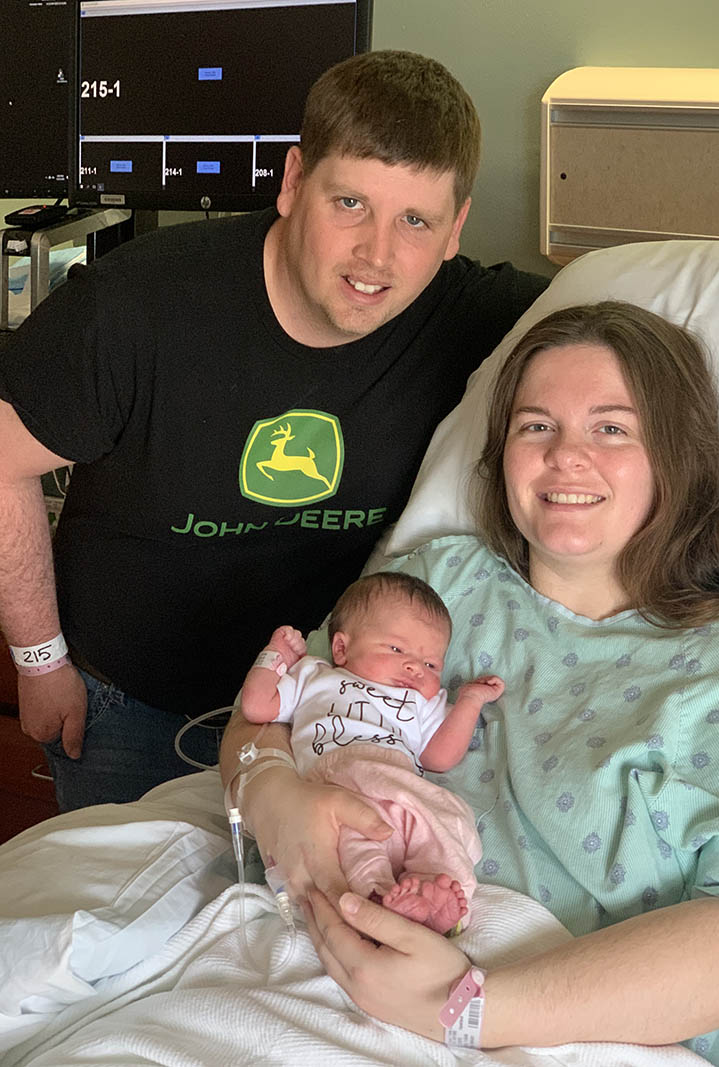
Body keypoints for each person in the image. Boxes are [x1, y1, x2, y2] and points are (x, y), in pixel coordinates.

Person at [221, 302, 719, 1066]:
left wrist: (464, 1006)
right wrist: (270, 795)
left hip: (570, 1019)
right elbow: (272, 715)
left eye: (611, 428)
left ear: (677, 455)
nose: (566, 455)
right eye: (536, 426)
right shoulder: (436, 583)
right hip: (332, 952)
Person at [0, 49, 549, 811]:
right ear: (294, 183)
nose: (377, 255)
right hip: (126, 708)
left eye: (415, 219)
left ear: (455, 227)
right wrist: (38, 661)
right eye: (349, 203)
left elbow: (648, 325)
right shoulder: (134, 308)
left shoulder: (474, 318)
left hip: (329, 714)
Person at [238, 571, 504, 933]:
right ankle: (377, 900)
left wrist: (468, 702)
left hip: (400, 788)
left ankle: (439, 896)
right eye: (396, 649)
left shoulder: (420, 701)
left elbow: (438, 757)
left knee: (449, 821)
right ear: (342, 649)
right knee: (349, 846)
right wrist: (275, 656)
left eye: (431, 665)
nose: (414, 667)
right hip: (336, 785)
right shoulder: (315, 676)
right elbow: (256, 707)